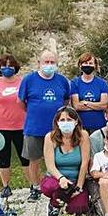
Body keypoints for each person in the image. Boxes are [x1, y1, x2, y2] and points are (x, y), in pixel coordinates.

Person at [18, 50, 70, 201]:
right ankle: (35, 187)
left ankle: (59, 186)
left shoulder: (62, 81)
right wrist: (34, 111)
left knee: (59, 158)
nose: (49, 65)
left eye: (52, 62)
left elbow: (66, 101)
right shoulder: (29, 80)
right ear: (39, 63)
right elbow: (21, 102)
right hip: (34, 127)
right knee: (34, 158)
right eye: (46, 62)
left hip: (58, 129)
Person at [0, 54, 31, 197]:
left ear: (15, 67)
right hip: (1, 127)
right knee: (3, 158)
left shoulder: (23, 82)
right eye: (4, 66)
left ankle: (33, 185)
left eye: (10, 65)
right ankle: (5, 186)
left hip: (22, 127)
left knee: (26, 158)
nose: (7, 68)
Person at [41, 107, 90, 216]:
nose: (66, 122)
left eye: (69, 119)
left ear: (76, 121)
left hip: (75, 179)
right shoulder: (50, 137)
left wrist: (79, 186)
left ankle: (67, 200)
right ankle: (54, 204)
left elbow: (84, 163)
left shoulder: (83, 135)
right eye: (62, 120)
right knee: (50, 187)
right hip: (56, 178)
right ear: (57, 122)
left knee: (79, 208)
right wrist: (61, 178)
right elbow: (50, 165)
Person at [69, 52, 108, 134]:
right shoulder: (74, 83)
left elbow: (104, 105)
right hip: (81, 127)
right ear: (80, 65)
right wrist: (96, 105)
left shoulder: (102, 83)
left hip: (99, 126)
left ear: (95, 65)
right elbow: (76, 106)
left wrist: (86, 103)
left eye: (90, 63)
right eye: (85, 63)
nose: (88, 65)